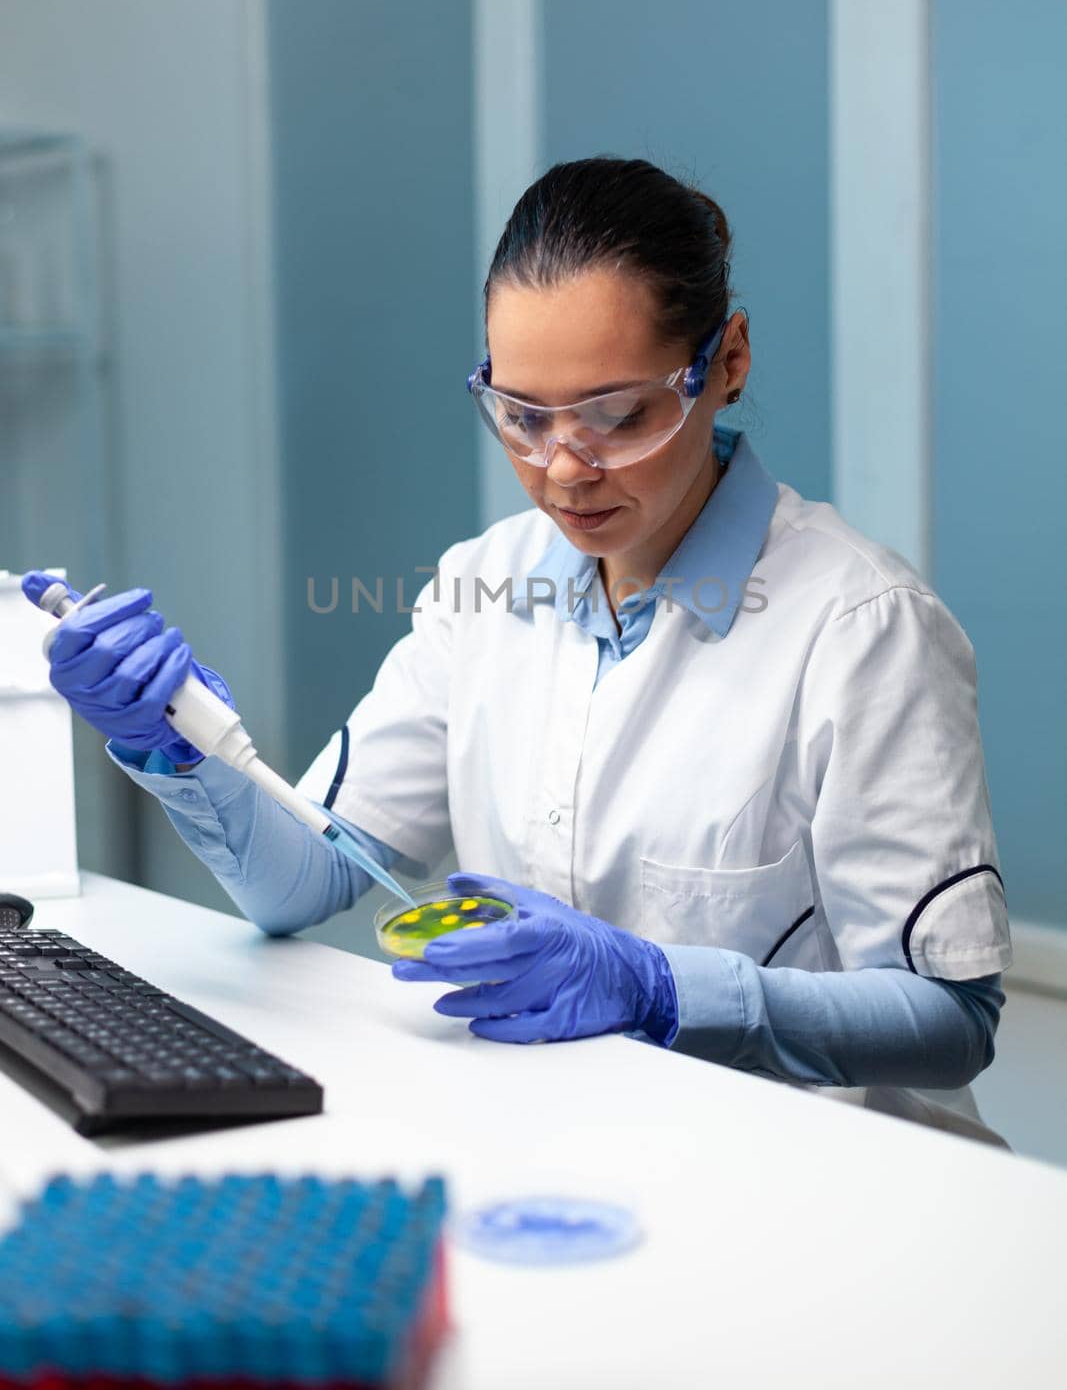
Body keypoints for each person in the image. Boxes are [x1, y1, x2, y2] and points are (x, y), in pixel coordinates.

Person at [25, 156, 1012, 1143]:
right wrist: (178, 743)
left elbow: (946, 1023)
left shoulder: (860, 628)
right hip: (558, 1146)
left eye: (615, 415)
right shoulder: (483, 585)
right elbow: (304, 882)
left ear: (726, 360)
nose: (562, 470)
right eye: (522, 416)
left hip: (823, 1177)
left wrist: (659, 990)